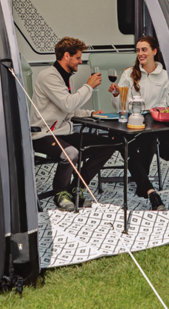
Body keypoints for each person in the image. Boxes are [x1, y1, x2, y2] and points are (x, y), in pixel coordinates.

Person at [30, 37, 113, 211]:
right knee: (70, 153)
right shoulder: (48, 76)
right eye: (77, 58)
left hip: (64, 132)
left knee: (109, 143)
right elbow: (68, 103)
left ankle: (77, 187)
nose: (80, 62)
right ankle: (60, 192)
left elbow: (69, 109)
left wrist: (90, 113)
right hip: (44, 134)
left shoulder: (67, 78)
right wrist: (88, 86)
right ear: (66, 56)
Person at [109, 35, 169, 210]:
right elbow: (120, 106)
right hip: (129, 123)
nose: (140, 53)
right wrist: (117, 95)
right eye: (138, 50)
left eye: (144, 49)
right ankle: (149, 191)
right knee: (125, 143)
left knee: (149, 140)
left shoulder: (164, 76)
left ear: (154, 51)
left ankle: (144, 187)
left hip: (151, 124)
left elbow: (164, 105)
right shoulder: (128, 74)